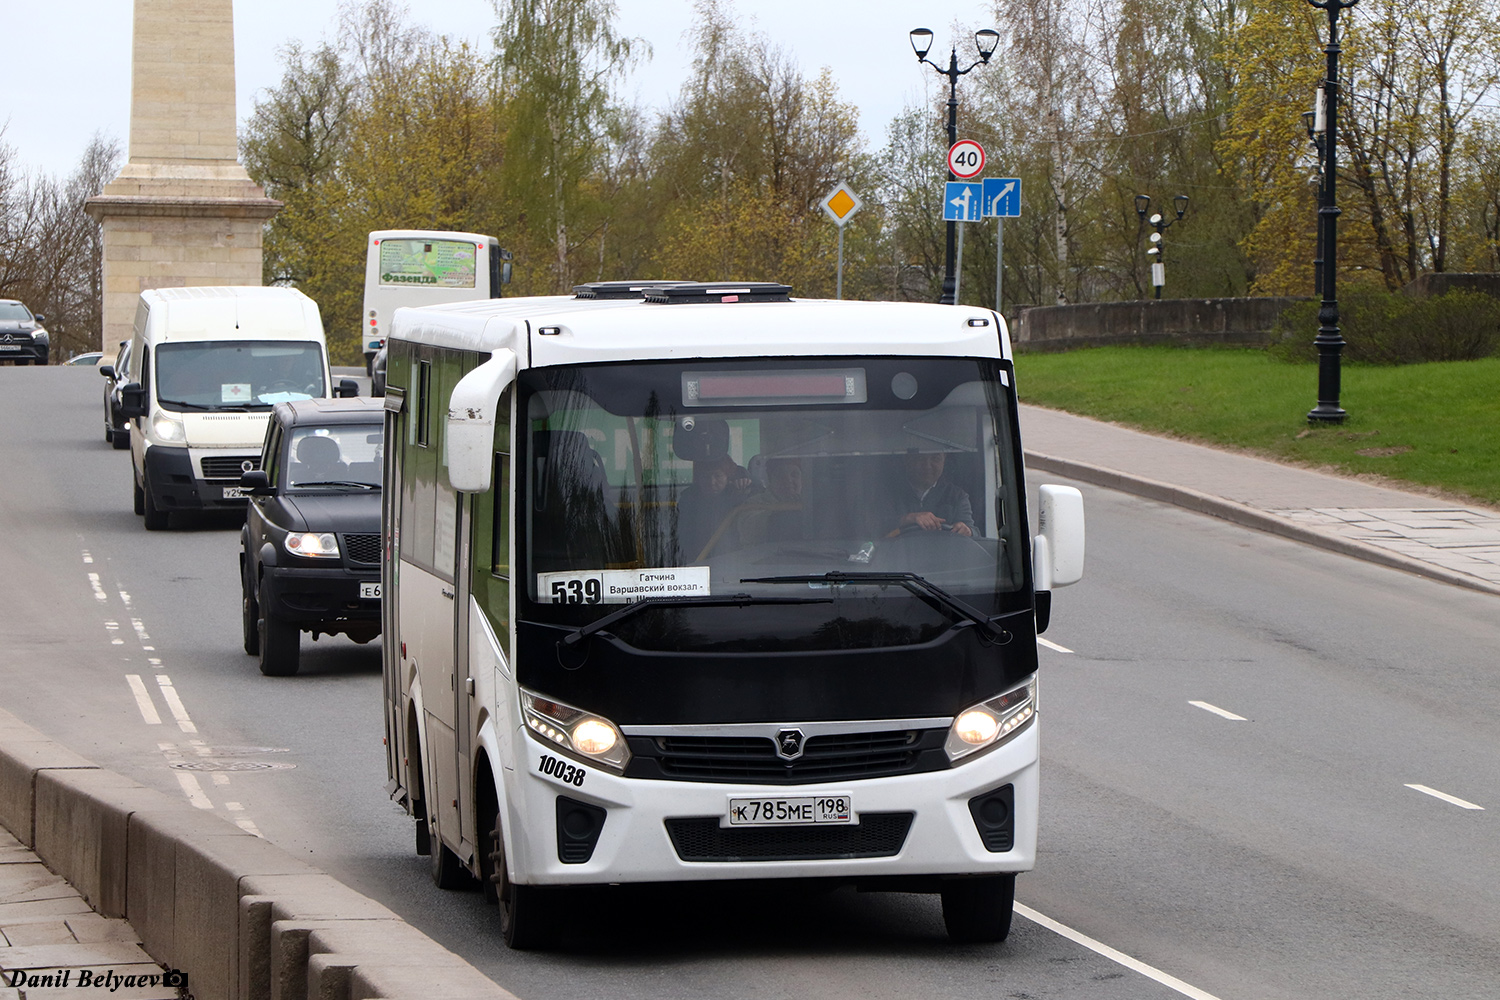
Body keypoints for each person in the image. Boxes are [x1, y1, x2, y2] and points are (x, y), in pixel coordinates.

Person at [882, 451, 973, 537]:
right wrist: (908, 519)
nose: (927, 466)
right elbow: (874, 528)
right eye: (921, 458)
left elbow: (974, 533)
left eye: (935, 458)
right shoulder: (888, 493)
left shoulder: (957, 497)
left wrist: (967, 530)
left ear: (944, 460)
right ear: (907, 460)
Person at [736, 457, 804, 547]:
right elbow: (749, 531)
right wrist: (782, 512)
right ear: (770, 480)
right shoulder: (752, 504)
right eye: (781, 475)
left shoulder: (810, 504)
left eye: (794, 475)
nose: (788, 480)